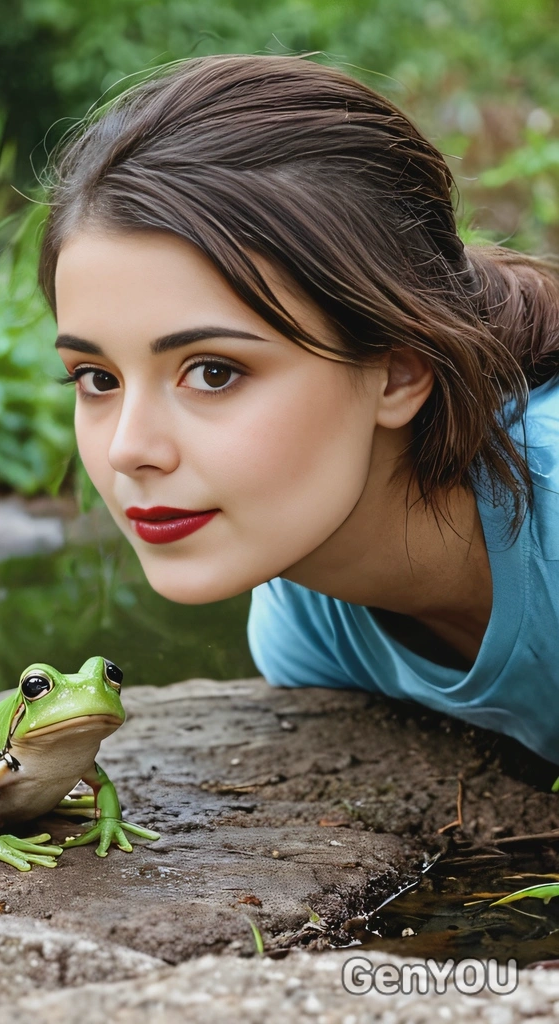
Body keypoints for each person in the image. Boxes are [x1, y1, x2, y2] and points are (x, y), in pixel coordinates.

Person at [37, 54, 559, 765]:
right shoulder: (307, 625)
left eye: (214, 372)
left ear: (399, 371)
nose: (129, 449)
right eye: (97, 378)